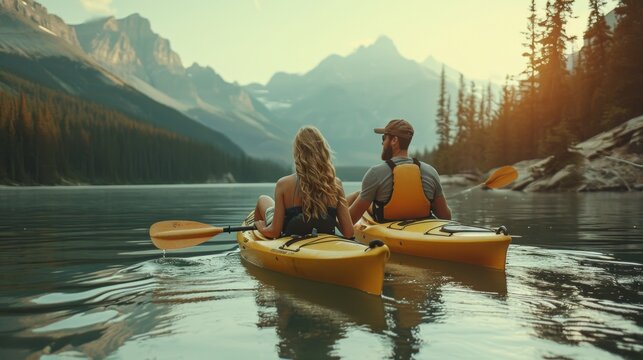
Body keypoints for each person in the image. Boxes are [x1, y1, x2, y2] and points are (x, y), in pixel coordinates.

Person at [253, 126, 354, 239]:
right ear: (322, 151)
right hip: (324, 241)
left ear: (298, 152)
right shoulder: (336, 184)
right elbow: (349, 233)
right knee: (265, 200)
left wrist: (261, 228)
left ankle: (254, 240)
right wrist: (330, 218)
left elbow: (274, 232)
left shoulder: (283, 184)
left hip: (289, 241)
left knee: (263, 199)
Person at [347, 119, 451, 223]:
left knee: (358, 195)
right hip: (422, 228)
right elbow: (446, 216)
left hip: (387, 227)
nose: (382, 142)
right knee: (360, 194)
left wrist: (338, 208)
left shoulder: (375, 173)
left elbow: (349, 223)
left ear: (394, 140)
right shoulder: (430, 171)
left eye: (384, 138)